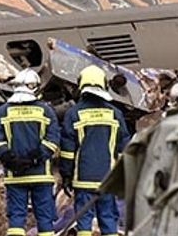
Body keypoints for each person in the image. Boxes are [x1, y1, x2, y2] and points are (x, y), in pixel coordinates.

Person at [59, 66, 131, 236]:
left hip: (82, 179)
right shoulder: (115, 114)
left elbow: (68, 151)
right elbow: (124, 149)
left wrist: (66, 176)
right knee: (108, 218)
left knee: (83, 220)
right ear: (104, 84)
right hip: (108, 179)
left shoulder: (74, 113)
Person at [0, 68, 60, 236]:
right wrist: (36, 158)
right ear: (35, 87)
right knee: (45, 219)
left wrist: (8, 158)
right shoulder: (46, 111)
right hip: (41, 175)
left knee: (16, 220)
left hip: (15, 176)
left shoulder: (3, 111)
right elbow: (53, 139)